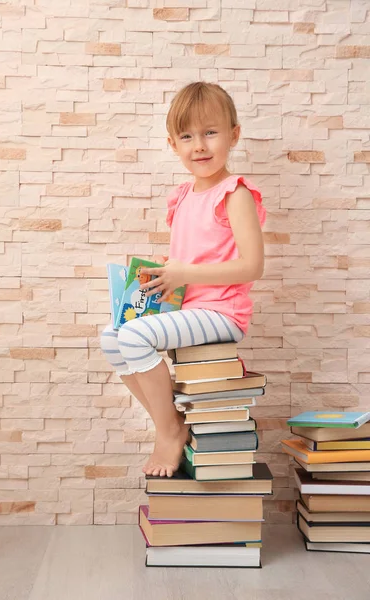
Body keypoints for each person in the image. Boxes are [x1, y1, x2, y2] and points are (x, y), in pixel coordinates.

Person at [101, 81, 266, 478]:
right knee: (111, 336)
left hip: (222, 311)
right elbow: (192, 258)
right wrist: (166, 270)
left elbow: (251, 267)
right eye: (187, 136)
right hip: (190, 305)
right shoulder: (183, 196)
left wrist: (182, 272)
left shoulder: (234, 193)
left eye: (211, 132)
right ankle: (172, 422)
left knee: (135, 337)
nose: (200, 146)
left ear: (234, 135)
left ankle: (169, 431)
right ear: (173, 144)